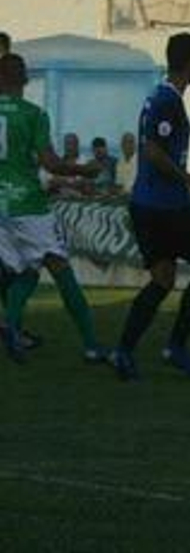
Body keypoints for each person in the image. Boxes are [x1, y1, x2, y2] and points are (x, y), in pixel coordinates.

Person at [108, 33, 190, 382]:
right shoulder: (168, 100)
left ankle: (123, 351)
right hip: (167, 207)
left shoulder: (158, 97)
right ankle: (175, 346)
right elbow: (154, 151)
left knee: (162, 279)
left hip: (146, 205)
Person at [0, 53, 107, 363]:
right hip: (28, 204)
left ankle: (13, 328)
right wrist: (85, 171)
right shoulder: (33, 114)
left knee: (26, 270)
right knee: (60, 268)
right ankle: (91, 346)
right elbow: (50, 163)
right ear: (24, 80)